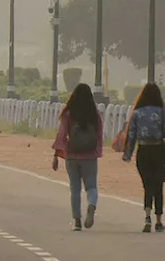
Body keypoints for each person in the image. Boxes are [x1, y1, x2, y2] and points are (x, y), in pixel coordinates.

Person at [123, 83, 165, 233]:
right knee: (158, 186)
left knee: (147, 185)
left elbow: (131, 135)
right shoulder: (162, 112)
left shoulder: (137, 113)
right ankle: (158, 220)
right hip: (159, 151)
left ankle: (147, 216)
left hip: (143, 151)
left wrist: (128, 154)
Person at [52, 83, 103, 231]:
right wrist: (97, 152)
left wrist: (56, 155)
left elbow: (61, 135)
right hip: (90, 156)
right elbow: (99, 136)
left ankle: (77, 221)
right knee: (91, 186)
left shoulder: (69, 113)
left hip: (72, 155)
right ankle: (92, 205)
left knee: (75, 189)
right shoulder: (95, 114)